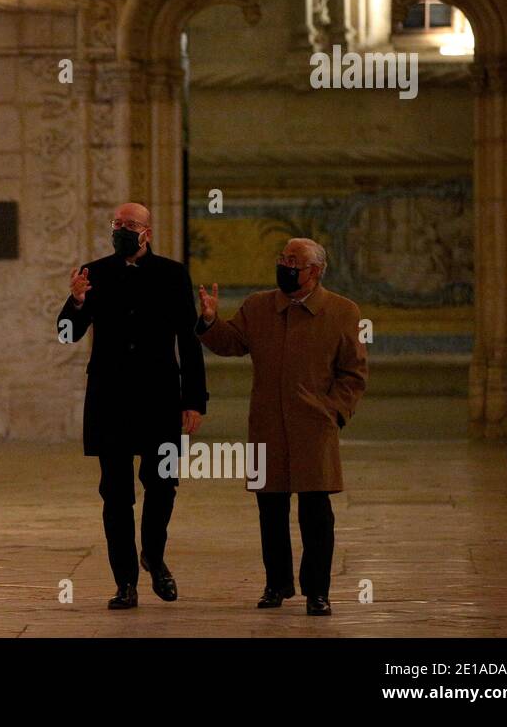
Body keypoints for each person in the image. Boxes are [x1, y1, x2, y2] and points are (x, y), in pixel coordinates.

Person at [196, 237, 368, 616]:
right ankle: (276, 584)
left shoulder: (342, 311)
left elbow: (353, 373)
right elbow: (231, 343)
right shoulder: (258, 306)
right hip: (267, 427)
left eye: (295, 261)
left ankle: (317, 592)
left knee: (316, 514)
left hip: (315, 428)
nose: (286, 265)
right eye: (283, 258)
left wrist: (333, 412)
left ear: (316, 272)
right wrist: (209, 320)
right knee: (270, 511)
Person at [57, 202, 207, 609]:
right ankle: (125, 582)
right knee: (116, 494)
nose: (122, 229)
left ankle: (154, 557)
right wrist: (76, 302)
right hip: (110, 397)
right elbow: (67, 335)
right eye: (117, 224)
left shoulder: (172, 274)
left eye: (131, 225)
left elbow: (188, 341)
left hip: (159, 396)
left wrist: (194, 400)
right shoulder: (96, 273)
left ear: (148, 233)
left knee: (162, 485)